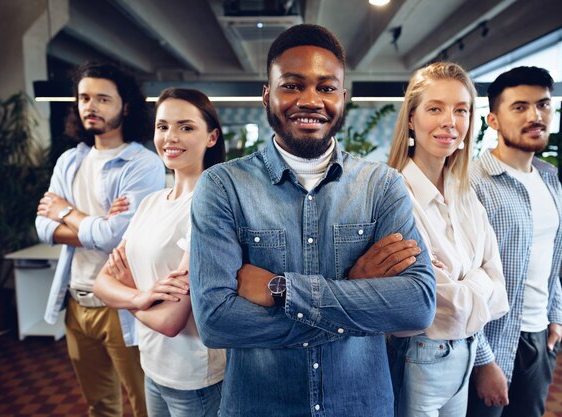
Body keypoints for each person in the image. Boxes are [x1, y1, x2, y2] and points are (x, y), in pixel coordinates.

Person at [189, 23, 436, 417]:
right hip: (260, 407)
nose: (310, 100)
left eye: (325, 87)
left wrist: (283, 291)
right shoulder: (223, 186)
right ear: (267, 95)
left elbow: (417, 306)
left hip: (360, 406)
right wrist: (354, 292)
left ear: (343, 96)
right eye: (292, 85)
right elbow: (217, 322)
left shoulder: (382, 186)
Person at [35, 62, 165, 417]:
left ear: (125, 106)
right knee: (99, 406)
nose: (91, 106)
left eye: (103, 99)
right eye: (84, 97)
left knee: (145, 405)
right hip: (76, 301)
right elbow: (43, 228)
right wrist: (95, 225)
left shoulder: (142, 164)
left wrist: (67, 212)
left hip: (121, 304)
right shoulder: (68, 161)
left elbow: (116, 237)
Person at [385, 62, 509, 417]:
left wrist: (461, 282)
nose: (449, 122)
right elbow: (424, 302)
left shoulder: (464, 191)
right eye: (435, 108)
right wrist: (474, 280)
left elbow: (496, 280)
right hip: (418, 355)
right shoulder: (394, 195)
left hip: (465, 354)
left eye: (461, 110)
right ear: (411, 118)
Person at [93, 88, 227, 417]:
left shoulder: (208, 207)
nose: (170, 137)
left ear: (211, 138)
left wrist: (127, 294)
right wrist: (141, 298)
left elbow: (171, 320)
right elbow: (101, 282)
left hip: (194, 377)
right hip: (151, 365)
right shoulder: (152, 202)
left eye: (186, 127)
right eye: (163, 126)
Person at [467, 66, 562, 417]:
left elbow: (548, 256)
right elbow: (462, 280)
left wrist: (556, 317)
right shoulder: (472, 182)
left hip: (539, 338)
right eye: (520, 107)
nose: (535, 116)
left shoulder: (548, 178)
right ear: (493, 120)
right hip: (491, 344)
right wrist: (483, 361)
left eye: (543, 105)